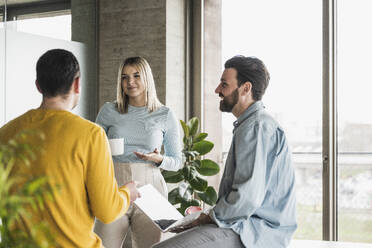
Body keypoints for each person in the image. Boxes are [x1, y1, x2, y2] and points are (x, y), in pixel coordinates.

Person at [0, 49, 140, 248]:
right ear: (76, 84)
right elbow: (107, 211)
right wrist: (127, 193)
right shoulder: (91, 135)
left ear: (38, 86)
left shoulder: (5, 134)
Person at [153, 56, 297, 248]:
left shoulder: (257, 127)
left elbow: (246, 198)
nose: (217, 90)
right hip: (243, 225)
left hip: (255, 232)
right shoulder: (252, 125)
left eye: (224, 84)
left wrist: (206, 217)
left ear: (246, 88)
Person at [93, 56, 182, 248]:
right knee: (101, 244)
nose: (130, 82)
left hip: (152, 189)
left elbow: (177, 161)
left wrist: (159, 159)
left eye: (136, 75)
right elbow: (92, 149)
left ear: (147, 78)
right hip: (114, 187)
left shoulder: (165, 114)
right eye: (124, 77)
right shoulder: (108, 110)